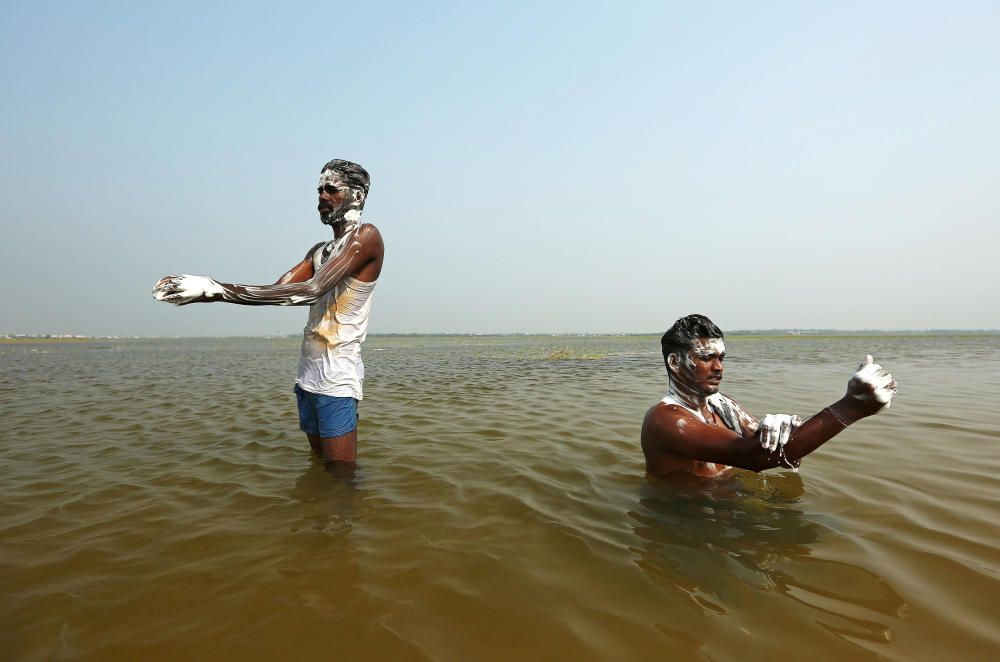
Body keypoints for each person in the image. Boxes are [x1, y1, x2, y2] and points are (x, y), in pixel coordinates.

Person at [152, 159, 385, 471]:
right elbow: (279, 290)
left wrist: (217, 289)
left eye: (331, 189)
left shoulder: (366, 238)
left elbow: (311, 290)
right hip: (309, 376)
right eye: (319, 190)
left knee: (341, 477)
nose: (321, 196)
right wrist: (207, 294)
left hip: (337, 378)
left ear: (356, 196)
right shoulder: (319, 251)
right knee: (319, 467)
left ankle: (345, 518)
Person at [641, 314, 896, 477]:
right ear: (675, 362)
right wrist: (852, 408)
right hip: (688, 529)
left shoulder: (722, 405)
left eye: (721, 358)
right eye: (706, 358)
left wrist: (786, 430)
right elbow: (755, 458)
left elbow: (782, 454)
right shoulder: (665, 421)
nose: (718, 367)